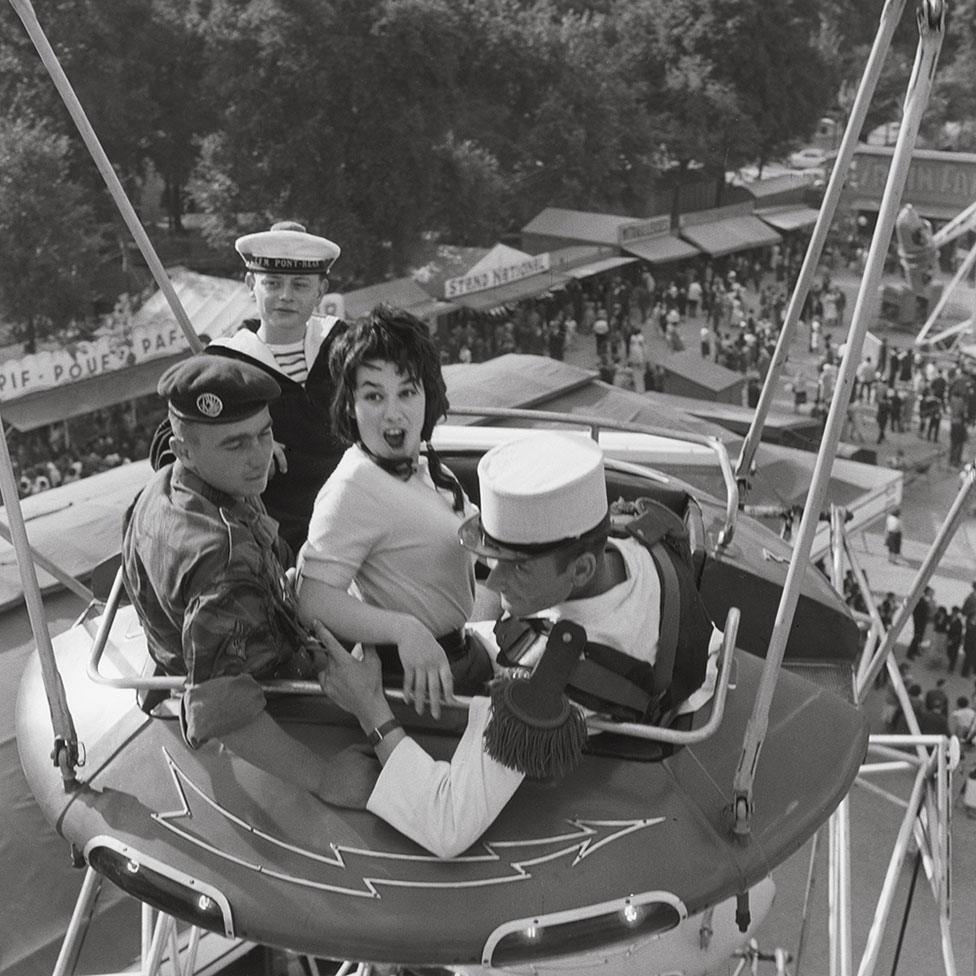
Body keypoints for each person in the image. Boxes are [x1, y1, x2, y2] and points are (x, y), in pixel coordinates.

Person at [314, 433, 721, 857]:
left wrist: (369, 707)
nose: (495, 581)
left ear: (581, 568)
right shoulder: (631, 539)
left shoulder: (554, 682)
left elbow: (447, 824)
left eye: (519, 569)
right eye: (493, 558)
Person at [122, 356, 373, 804]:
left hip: (240, 635)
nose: (258, 457)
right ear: (184, 450)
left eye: (264, 433)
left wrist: (245, 450)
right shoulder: (222, 557)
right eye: (234, 445)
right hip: (268, 684)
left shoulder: (168, 486)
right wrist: (325, 778)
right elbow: (222, 710)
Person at [296, 306, 492, 717]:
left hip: (461, 656)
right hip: (417, 685)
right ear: (349, 404)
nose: (393, 412)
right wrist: (404, 630)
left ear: (427, 395)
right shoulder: (354, 485)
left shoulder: (423, 465)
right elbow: (311, 598)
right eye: (373, 395)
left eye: (407, 392)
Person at [188, 221, 348, 551]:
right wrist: (237, 440)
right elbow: (171, 442)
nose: (285, 297)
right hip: (282, 538)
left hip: (357, 512)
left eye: (301, 285)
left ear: (320, 291)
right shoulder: (225, 363)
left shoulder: (345, 346)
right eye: (272, 283)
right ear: (251, 284)